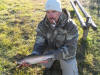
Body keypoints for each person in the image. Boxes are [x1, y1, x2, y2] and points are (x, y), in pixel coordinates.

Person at [31, 0, 79, 75]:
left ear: (59, 12)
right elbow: (39, 43)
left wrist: (52, 55)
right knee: (44, 63)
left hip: (66, 54)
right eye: (48, 12)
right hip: (50, 51)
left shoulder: (71, 26)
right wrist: (35, 55)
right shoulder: (42, 25)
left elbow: (71, 50)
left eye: (54, 11)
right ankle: (49, 63)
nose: (50, 15)